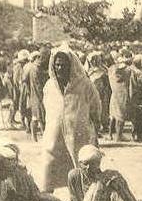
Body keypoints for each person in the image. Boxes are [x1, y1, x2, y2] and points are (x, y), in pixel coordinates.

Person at [38, 46, 101, 192]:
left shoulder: (84, 85)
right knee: (48, 175)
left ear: (71, 66)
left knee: (80, 175)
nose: (60, 68)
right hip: (54, 139)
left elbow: (96, 107)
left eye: (63, 65)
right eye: (57, 65)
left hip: (78, 137)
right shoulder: (49, 86)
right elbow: (46, 108)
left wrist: (91, 126)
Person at [108, 50, 134, 142]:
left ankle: (110, 134)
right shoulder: (128, 71)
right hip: (122, 93)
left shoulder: (111, 69)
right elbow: (130, 83)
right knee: (121, 115)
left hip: (114, 93)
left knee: (113, 115)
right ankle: (119, 136)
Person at [87, 52, 111, 136]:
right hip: (94, 94)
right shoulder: (89, 72)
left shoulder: (103, 71)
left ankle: (103, 126)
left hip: (101, 94)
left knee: (102, 110)